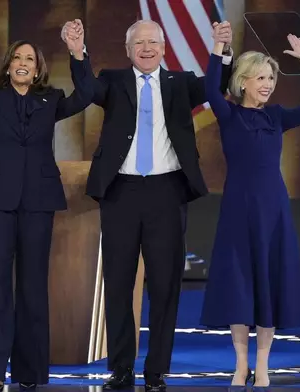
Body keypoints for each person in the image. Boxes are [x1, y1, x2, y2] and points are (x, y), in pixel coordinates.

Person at [61, 19, 234, 391]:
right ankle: (121, 369)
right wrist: (78, 52)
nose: (146, 48)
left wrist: (221, 49)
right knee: (119, 284)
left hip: (167, 192)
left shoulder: (181, 83)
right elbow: (88, 89)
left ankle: (156, 371)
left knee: (165, 285)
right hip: (120, 192)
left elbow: (216, 85)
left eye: (153, 42)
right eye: (138, 43)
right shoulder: (113, 79)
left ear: (164, 47)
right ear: (127, 50)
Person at [0, 16, 93, 391]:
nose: (24, 61)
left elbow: (88, 93)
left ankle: (30, 372)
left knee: (32, 286)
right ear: (9, 65)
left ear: (38, 68)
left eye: (30, 57)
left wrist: (77, 52)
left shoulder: (52, 100)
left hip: (38, 202)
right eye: (18, 57)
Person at [199, 30, 300, 387]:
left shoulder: (275, 116)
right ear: (242, 82)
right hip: (238, 210)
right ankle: (240, 364)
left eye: (271, 78)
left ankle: (263, 365)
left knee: (268, 283)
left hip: (273, 210)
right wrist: (216, 48)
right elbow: (211, 90)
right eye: (260, 77)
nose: (268, 84)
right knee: (241, 286)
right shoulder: (229, 115)